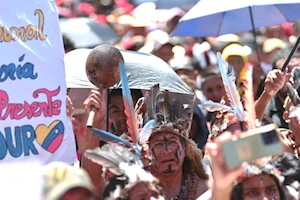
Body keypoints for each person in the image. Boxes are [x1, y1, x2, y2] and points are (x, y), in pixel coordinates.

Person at [139, 88, 209, 200]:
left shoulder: (206, 190)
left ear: (185, 149)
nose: (167, 150)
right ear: (146, 152)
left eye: (172, 142)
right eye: (158, 144)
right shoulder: (137, 193)